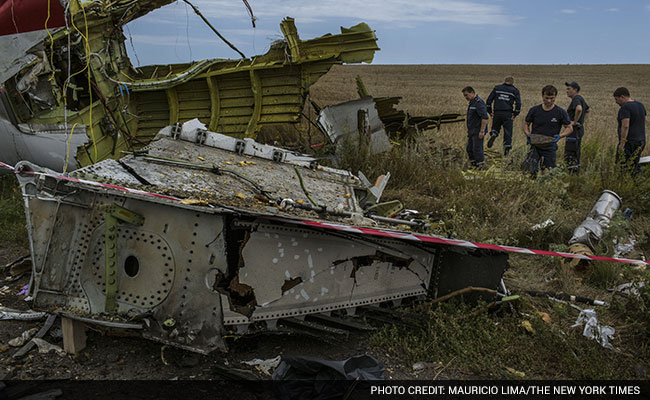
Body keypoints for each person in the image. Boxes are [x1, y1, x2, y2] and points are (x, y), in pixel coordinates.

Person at [523, 85, 573, 177]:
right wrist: (527, 134)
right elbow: (526, 124)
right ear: (542, 96)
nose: (549, 101)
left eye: (552, 98)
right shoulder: (534, 110)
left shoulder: (560, 112)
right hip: (535, 145)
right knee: (530, 170)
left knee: (549, 172)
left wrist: (560, 136)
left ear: (555, 97)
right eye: (546, 98)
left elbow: (569, 127)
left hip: (550, 146)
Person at [614, 87, 647, 175]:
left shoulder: (625, 107)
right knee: (634, 164)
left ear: (622, 97)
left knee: (622, 166)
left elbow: (625, 125)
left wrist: (622, 143)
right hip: (641, 140)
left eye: (616, 99)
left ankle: (623, 185)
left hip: (630, 142)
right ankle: (640, 184)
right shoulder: (640, 105)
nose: (616, 102)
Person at [485, 76, 522, 155]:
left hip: (497, 113)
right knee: (508, 133)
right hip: (508, 114)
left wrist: (490, 111)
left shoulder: (497, 88)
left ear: (505, 81)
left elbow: (489, 100)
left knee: (495, 128)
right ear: (512, 83)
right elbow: (518, 103)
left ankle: (494, 133)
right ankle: (506, 151)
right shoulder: (515, 91)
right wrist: (515, 113)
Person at [564, 82, 590, 173]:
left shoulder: (576, 99)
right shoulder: (580, 98)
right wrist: (581, 122)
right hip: (579, 129)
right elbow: (587, 110)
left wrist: (574, 122)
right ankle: (575, 172)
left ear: (575, 90)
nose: (567, 91)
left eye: (569, 89)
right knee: (576, 151)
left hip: (574, 131)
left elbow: (579, 109)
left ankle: (572, 173)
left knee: (571, 153)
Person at [462, 86, 489, 167]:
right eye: (464, 95)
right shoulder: (472, 102)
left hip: (478, 131)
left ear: (472, 93)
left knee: (477, 149)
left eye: (466, 95)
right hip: (471, 131)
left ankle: (480, 166)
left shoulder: (478, 103)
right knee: (469, 149)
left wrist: (482, 131)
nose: (465, 97)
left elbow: (484, 118)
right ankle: (474, 165)